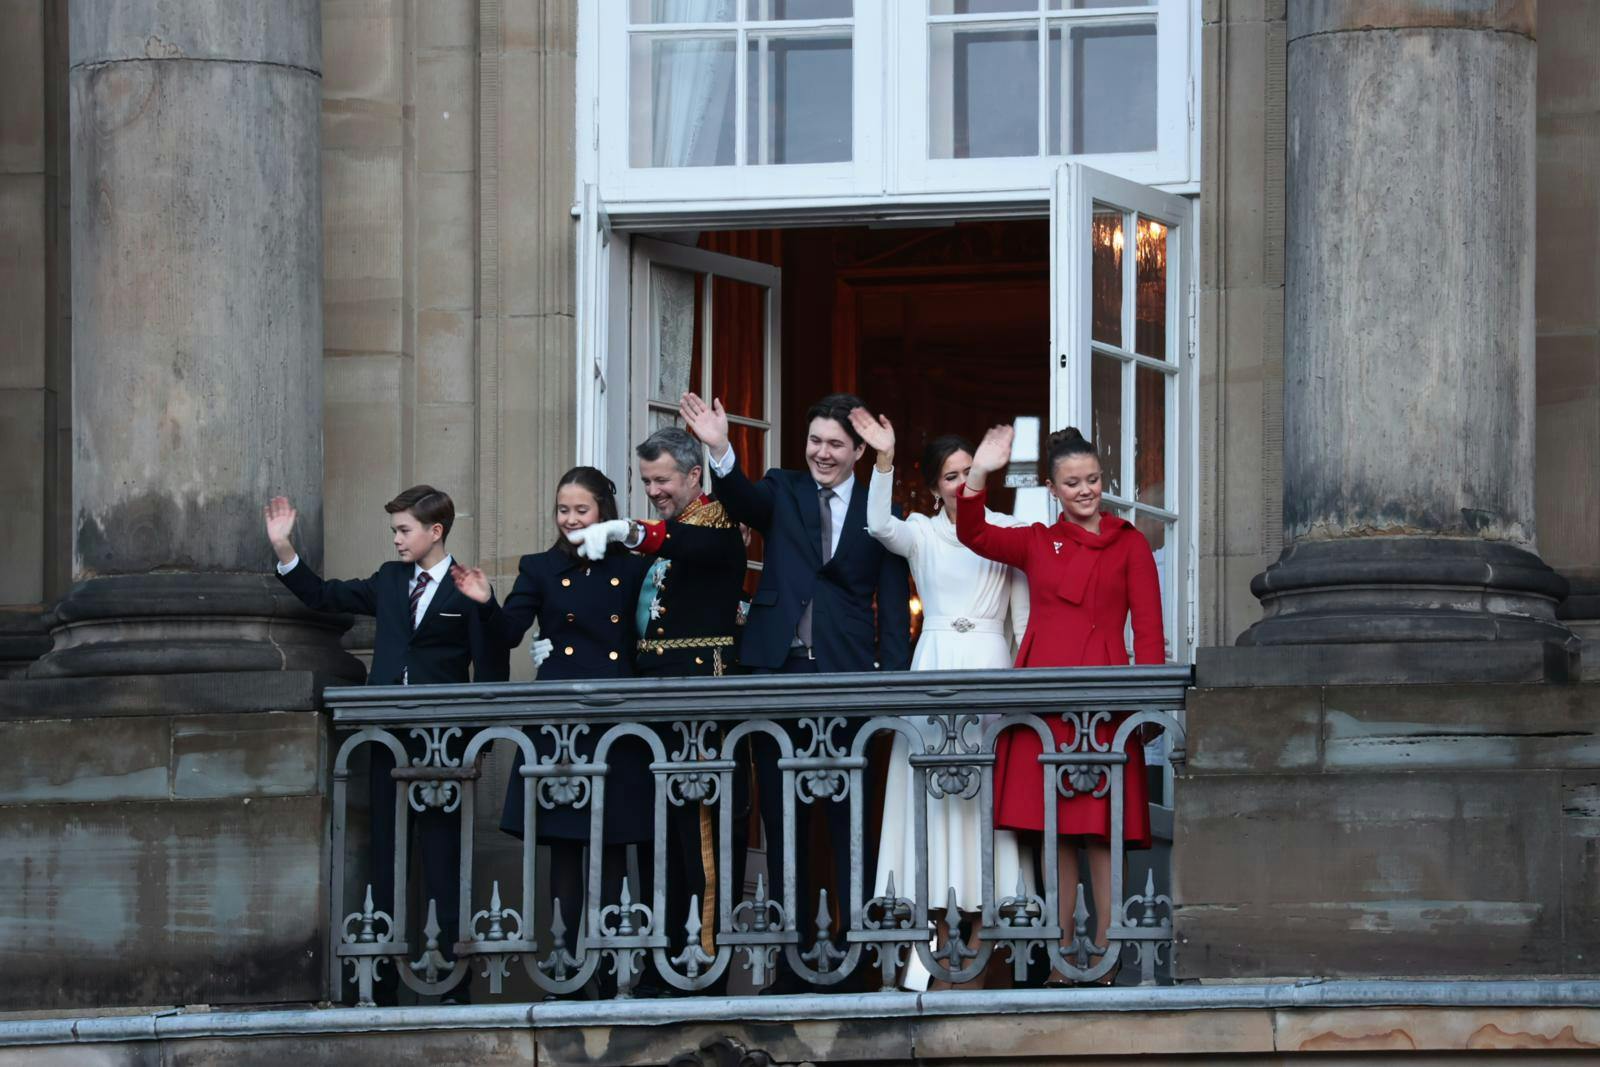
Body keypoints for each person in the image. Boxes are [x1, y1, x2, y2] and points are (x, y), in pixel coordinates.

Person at [679, 389, 911, 992]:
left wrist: (893, 682)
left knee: (848, 818)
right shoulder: (782, 489)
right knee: (784, 817)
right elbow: (741, 498)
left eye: (836, 443)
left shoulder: (878, 507)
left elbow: (891, 599)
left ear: (859, 451)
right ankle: (791, 955)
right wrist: (720, 448)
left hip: (848, 676)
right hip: (777, 671)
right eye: (815, 441)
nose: (822, 453)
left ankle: (855, 954)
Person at [265, 485, 507, 1004]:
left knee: (444, 860)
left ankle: (451, 986)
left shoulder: (468, 587)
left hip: (442, 745)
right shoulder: (389, 580)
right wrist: (285, 549)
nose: (397, 540)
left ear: (434, 531)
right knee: (386, 858)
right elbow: (325, 596)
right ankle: (379, 985)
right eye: (394, 530)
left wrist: (478, 744)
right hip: (384, 741)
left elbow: (491, 667)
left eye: (404, 530)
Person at [956, 424, 1164, 985]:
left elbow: (1147, 630)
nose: (1086, 490)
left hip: (1107, 700)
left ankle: (1107, 949)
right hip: (1046, 698)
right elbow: (972, 532)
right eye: (1073, 482)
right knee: (1054, 828)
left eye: (1093, 479)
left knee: (1102, 827)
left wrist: (1145, 707)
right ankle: (1062, 953)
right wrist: (980, 473)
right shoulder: (1033, 540)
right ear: (1053, 488)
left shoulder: (1130, 542)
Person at [451, 467, 653, 992]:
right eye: (563, 510)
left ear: (603, 512)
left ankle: (610, 972)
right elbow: (509, 633)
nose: (569, 519)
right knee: (564, 844)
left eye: (580, 510)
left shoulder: (633, 569)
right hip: (559, 721)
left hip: (615, 717)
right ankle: (566, 971)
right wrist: (485, 601)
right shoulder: (539, 567)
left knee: (610, 845)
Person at [848, 407, 1030, 991]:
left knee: (984, 805)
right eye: (949, 476)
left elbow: (1022, 620)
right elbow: (878, 525)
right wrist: (882, 459)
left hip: (990, 670)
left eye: (967, 473)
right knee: (931, 801)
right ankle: (935, 944)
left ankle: (981, 943)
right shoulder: (921, 532)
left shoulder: (1004, 528)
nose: (959, 485)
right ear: (931, 486)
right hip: (933, 669)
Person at [566, 427, 748, 986]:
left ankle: (703, 965)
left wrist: (627, 529)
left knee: (702, 837)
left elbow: (683, 545)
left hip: (701, 696)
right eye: (645, 482)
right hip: (653, 698)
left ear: (695, 476)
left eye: (662, 479)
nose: (653, 490)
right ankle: (662, 961)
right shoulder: (669, 533)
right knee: (662, 834)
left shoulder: (717, 527)